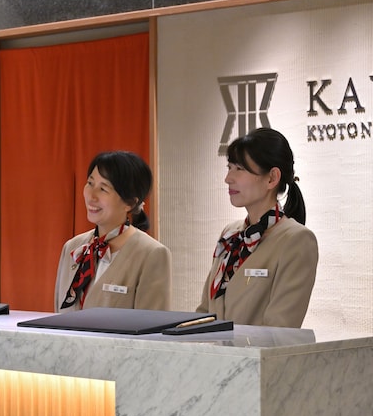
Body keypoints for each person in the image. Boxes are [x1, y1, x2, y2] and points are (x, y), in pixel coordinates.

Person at [197, 127, 318, 328]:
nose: (228, 178)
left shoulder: (297, 240)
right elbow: (204, 312)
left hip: (258, 350)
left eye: (239, 169)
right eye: (229, 167)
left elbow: (281, 328)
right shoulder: (230, 235)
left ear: (272, 178)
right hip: (214, 349)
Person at [55, 150, 172, 312]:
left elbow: (152, 324)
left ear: (130, 203)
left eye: (103, 189)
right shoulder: (73, 247)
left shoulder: (152, 254)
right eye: (90, 183)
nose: (91, 196)